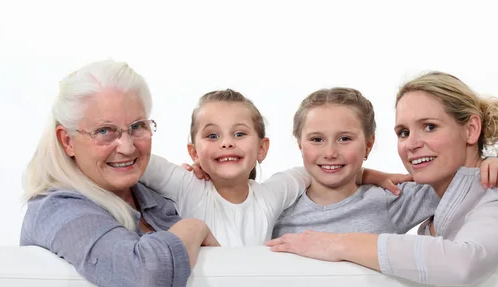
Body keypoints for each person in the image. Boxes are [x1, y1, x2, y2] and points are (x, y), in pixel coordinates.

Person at [267, 72, 498, 286]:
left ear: (471, 129)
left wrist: (338, 244)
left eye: (429, 127)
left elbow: (463, 261)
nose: (412, 144)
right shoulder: (439, 197)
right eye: (403, 132)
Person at [20, 59, 217, 287]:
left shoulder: (151, 195)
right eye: (104, 131)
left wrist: (209, 184)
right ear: (67, 140)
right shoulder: (54, 210)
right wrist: (193, 228)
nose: (127, 147)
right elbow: (147, 279)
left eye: (137, 127)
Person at [140, 89, 407, 246]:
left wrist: (368, 174)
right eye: (212, 136)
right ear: (193, 151)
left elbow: (324, 165)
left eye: (239, 134)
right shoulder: (188, 186)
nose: (226, 144)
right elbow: (138, 156)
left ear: (262, 148)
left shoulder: (271, 195)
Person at [273, 87, 498, 238]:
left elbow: (456, 182)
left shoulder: (390, 198)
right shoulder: (280, 203)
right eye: (317, 139)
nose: (330, 152)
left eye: (345, 138)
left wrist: (487, 164)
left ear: (368, 145)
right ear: (300, 145)